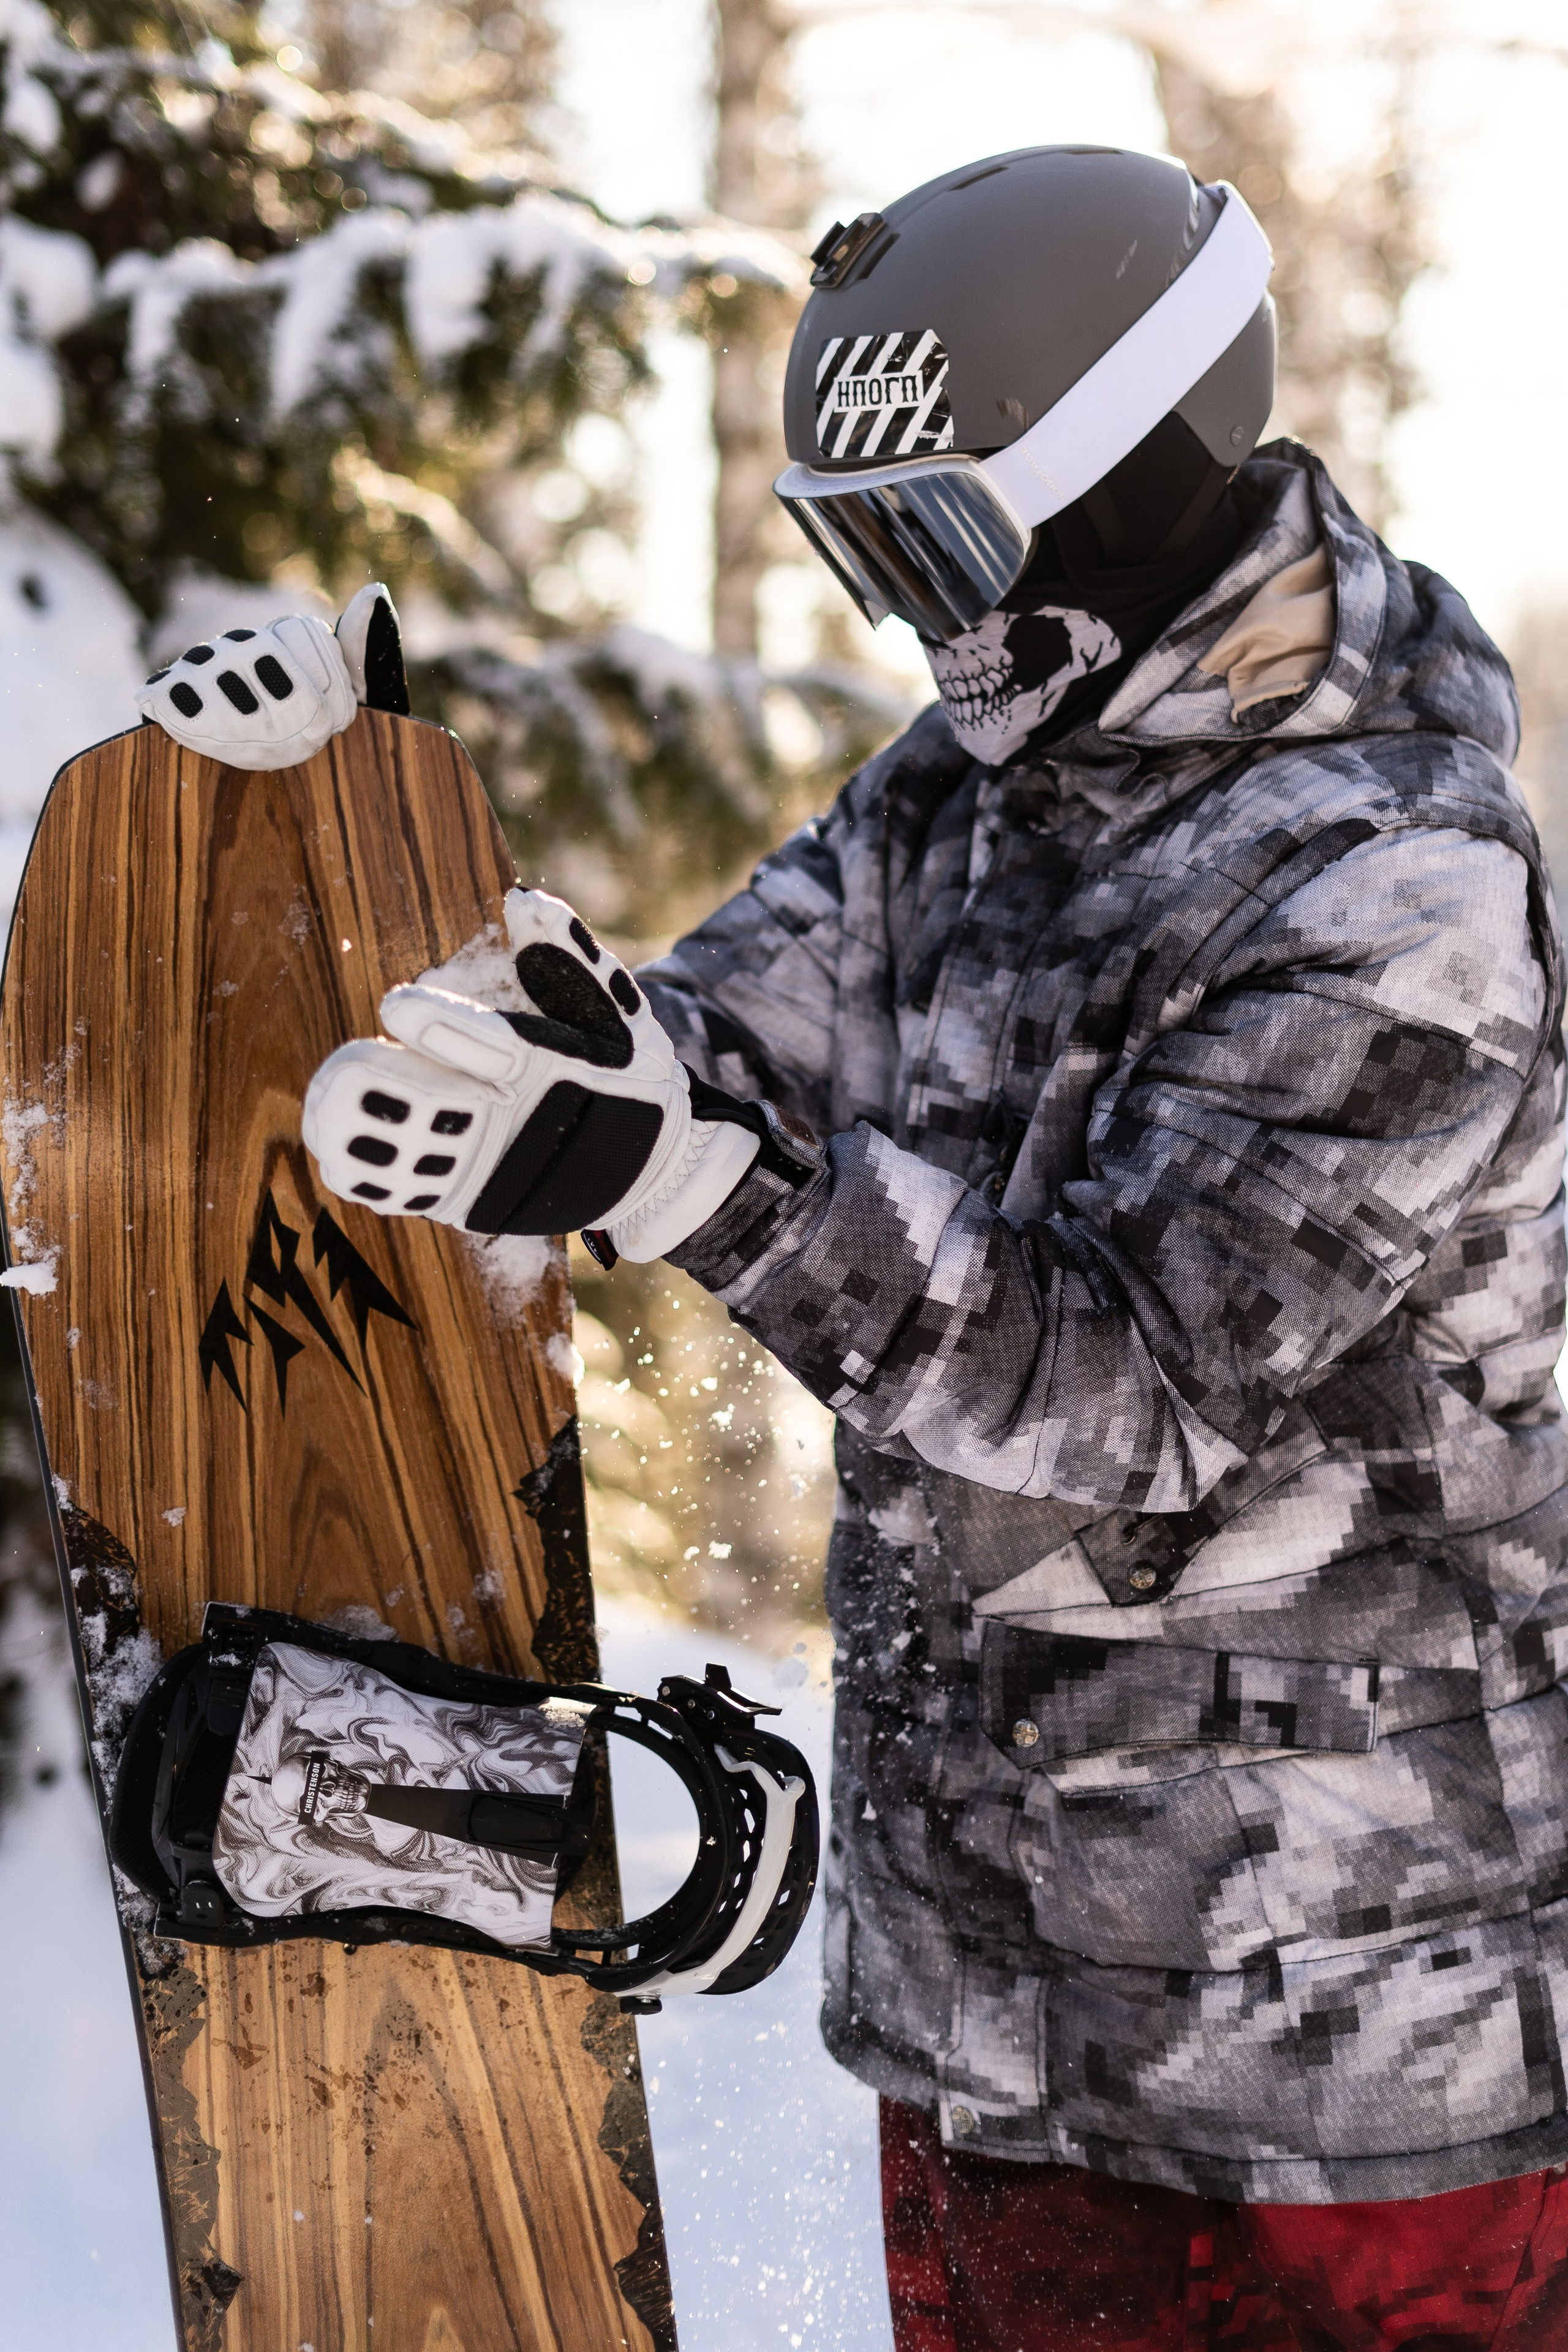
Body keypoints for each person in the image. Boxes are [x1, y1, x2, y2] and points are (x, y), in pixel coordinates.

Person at [141, 145, 1568, 2351]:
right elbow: (705, 1043)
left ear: (1141, 468)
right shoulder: (962, 792)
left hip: (1339, 2094)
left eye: (944, 541)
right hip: (991, 2022)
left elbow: (1126, 1390)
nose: (925, 622)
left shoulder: (1405, 895)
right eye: (866, 551)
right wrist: (374, 849)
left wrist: (698, 1181)